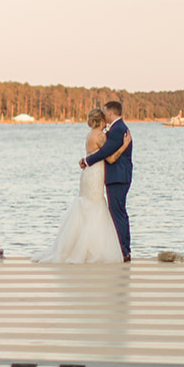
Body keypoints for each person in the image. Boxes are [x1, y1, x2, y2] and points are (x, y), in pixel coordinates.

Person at [33, 108, 123, 263]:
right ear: (101, 121)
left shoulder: (89, 135)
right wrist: (124, 145)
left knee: (85, 207)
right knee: (95, 207)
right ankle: (91, 251)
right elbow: (111, 158)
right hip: (95, 174)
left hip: (87, 173)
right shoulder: (100, 136)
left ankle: (78, 248)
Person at [79, 99, 133, 261]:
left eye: (105, 111)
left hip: (118, 177)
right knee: (117, 212)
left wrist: (87, 160)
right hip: (114, 176)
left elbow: (108, 155)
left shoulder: (118, 129)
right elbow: (106, 152)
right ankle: (121, 249)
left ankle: (124, 251)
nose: (104, 115)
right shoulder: (115, 129)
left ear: (110, 112)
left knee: (118, 213)